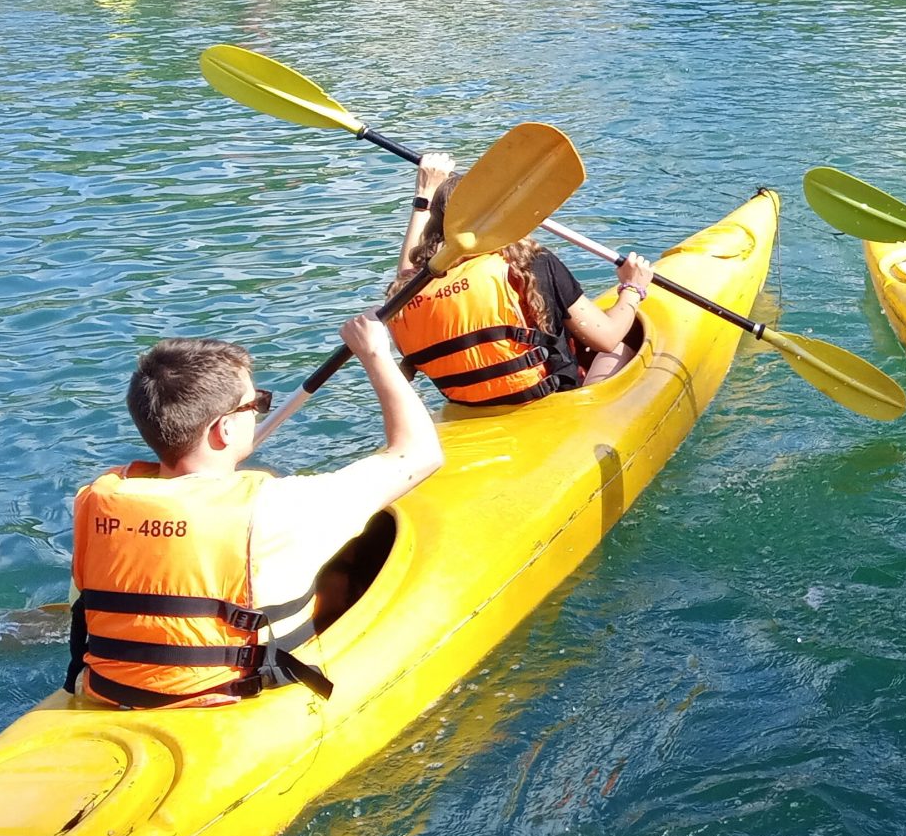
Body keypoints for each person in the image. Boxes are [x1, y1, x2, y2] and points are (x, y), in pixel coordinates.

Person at [65, 318, 443, 708]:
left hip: (110, 692)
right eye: (257, 403)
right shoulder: (278, 508)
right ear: (224, 429)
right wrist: (375, 353)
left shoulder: (95, 500)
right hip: (229, 700)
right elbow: (419, 454)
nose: (261, 411)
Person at [386, 150, 654, 404]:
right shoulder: (529, 265)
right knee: (620, 348)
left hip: (468, 409)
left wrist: (423, 198)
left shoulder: (411, 290)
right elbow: (606, 337)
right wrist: (633, 287)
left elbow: (407, 273)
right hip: (545, 402)